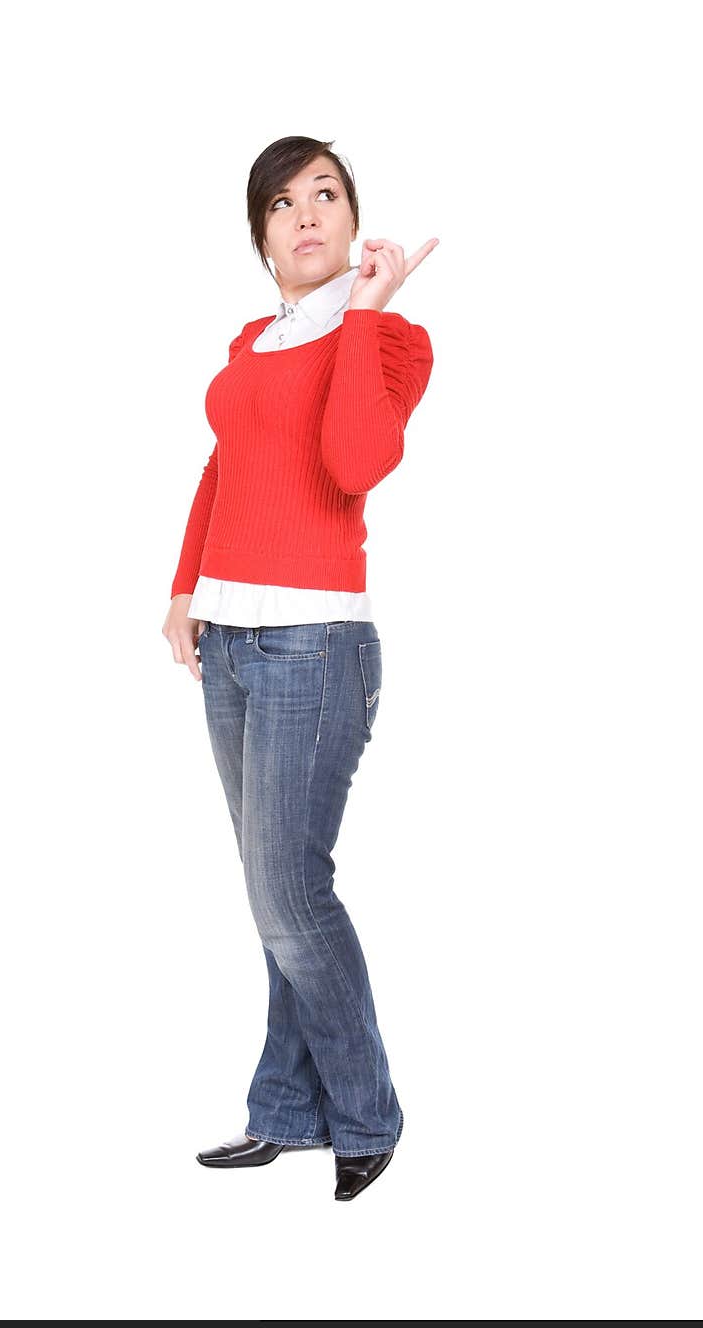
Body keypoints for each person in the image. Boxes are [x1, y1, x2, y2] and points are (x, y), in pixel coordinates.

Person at [162, 136, 437, 1201]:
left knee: (288, 891)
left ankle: (367, 1111)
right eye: (282, 202)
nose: (306, 214)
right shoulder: (250, 342)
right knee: (272, 887)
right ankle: (283, 1107)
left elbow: (353, 462)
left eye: (326, 193)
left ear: (354, 218)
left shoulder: (390, 340)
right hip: (230, 642)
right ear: (261, 237)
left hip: (315, 646)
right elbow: (223, 470)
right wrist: (187, 589)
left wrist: (365, 312)